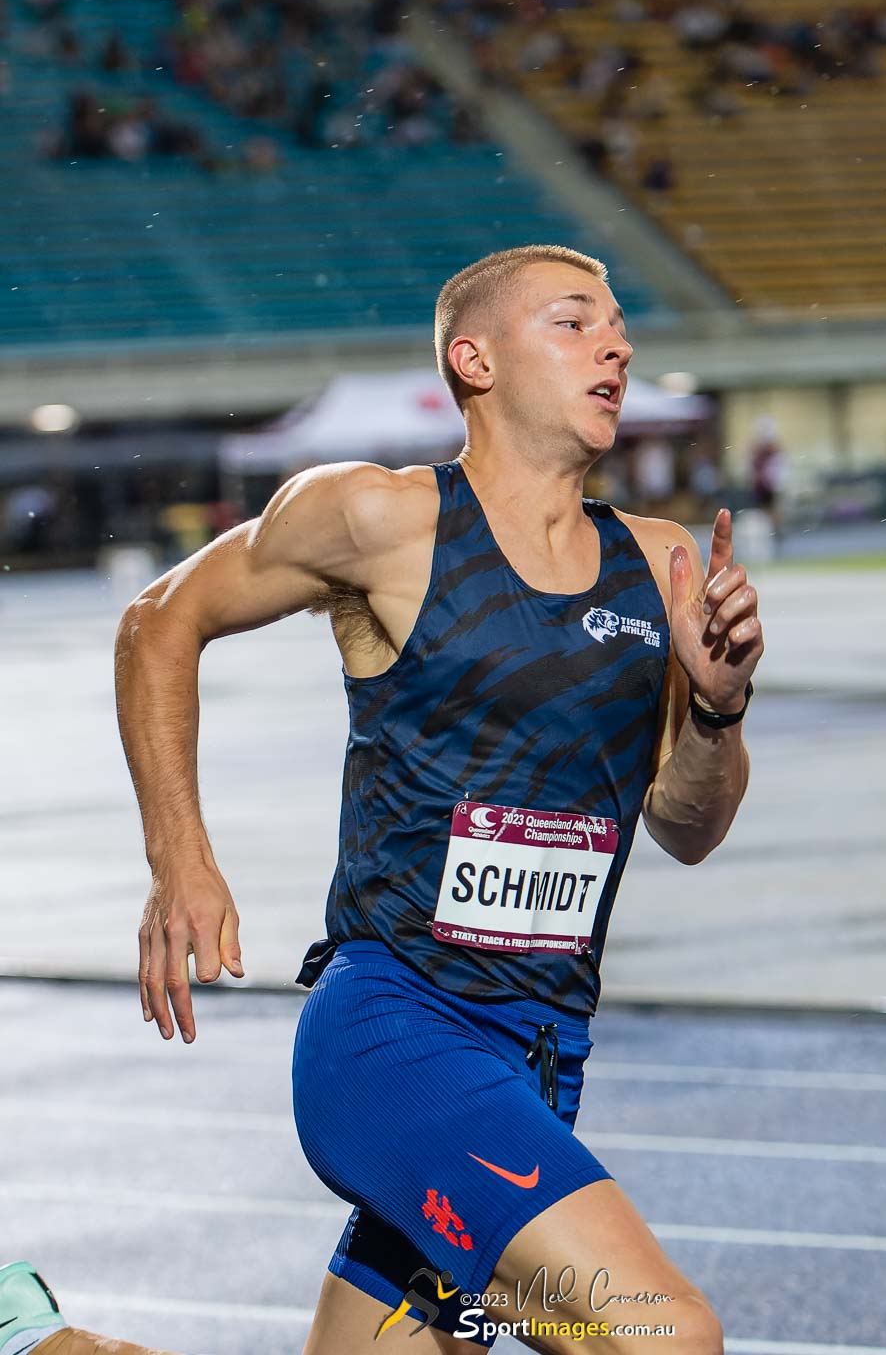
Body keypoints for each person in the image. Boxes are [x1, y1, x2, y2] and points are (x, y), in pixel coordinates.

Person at [3, 244, 763, 1355]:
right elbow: (159, 618)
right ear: (476, 359)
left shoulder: (657, 566)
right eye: (574, 321)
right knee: (665, 1334)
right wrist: (182, 857)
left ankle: (35, 1341)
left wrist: (717, 708)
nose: (618, 344)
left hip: (541, 1057)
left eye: (619, 329)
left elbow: (689, 829)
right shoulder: (378, 518)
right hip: (396, 1033)